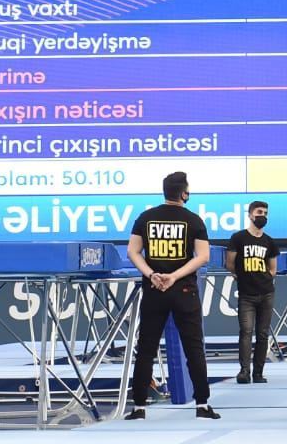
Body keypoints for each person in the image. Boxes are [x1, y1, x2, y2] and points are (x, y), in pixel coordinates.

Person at [125, 172, 220, 420]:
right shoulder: (194, 220)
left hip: (154, 289)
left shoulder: (145, 218)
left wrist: (151, 274)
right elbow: (203, 256)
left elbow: (133, 252)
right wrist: (175, 276)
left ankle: (139, 407)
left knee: (146, 348)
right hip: (184, 290)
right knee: (194, 348)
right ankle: (202, 404)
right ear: (183, 193)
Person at [226, 200, 279, 384]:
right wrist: (240, 276)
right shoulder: (238, 238)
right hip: (246, 295)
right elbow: (230, 263)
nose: (262, 215)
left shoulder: (269, 242)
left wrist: (263, 279)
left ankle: (258, 373)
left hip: (266, 294)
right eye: (259, 212)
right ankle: (244, 371)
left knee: (263, 334)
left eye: (265, 212)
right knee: (246, 332)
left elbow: (273, 269)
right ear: (250, 215)